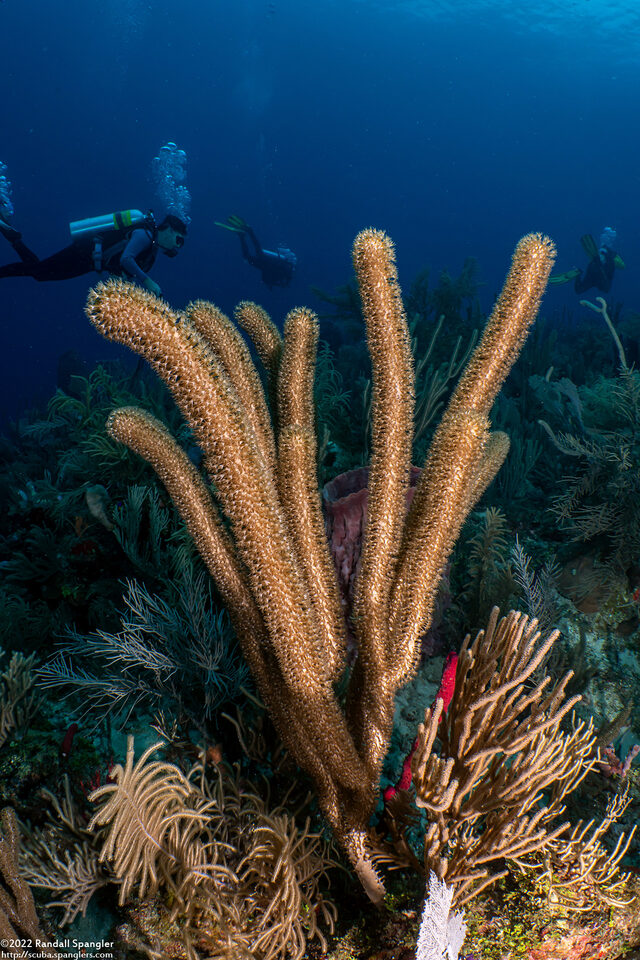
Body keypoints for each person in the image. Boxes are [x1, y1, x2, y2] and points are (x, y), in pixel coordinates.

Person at [0, 209, 187, 295]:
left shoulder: (150, 247)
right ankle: (13, 244)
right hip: (85, 253)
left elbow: (122, 267)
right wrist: (148, 281)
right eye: (178, 240)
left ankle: (14, 239)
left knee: (40, 273)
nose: (178, 246)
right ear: (169, 230)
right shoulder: (145, 235)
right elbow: (126, 259)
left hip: (89, 261)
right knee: (39, 272)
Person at [216, 215, 296, 288]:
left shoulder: (283, 276)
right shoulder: (285, 274)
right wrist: (274, 284)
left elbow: (270, 278)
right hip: (269, 264)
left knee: (252, 254)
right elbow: (281, 281)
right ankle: (248, 232)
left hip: (265, 266)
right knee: (256, 253)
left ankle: (242, 235)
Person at [549, 227, 624, 296]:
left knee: (603, 286)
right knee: (585, 288)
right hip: (595, 274)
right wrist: (578, 275)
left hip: (600, 275)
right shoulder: (596, 262)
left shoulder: (610, 257)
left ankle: (580, 272)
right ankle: (579, 272)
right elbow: (579, 290)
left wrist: (605, 257)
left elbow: (620, 266)